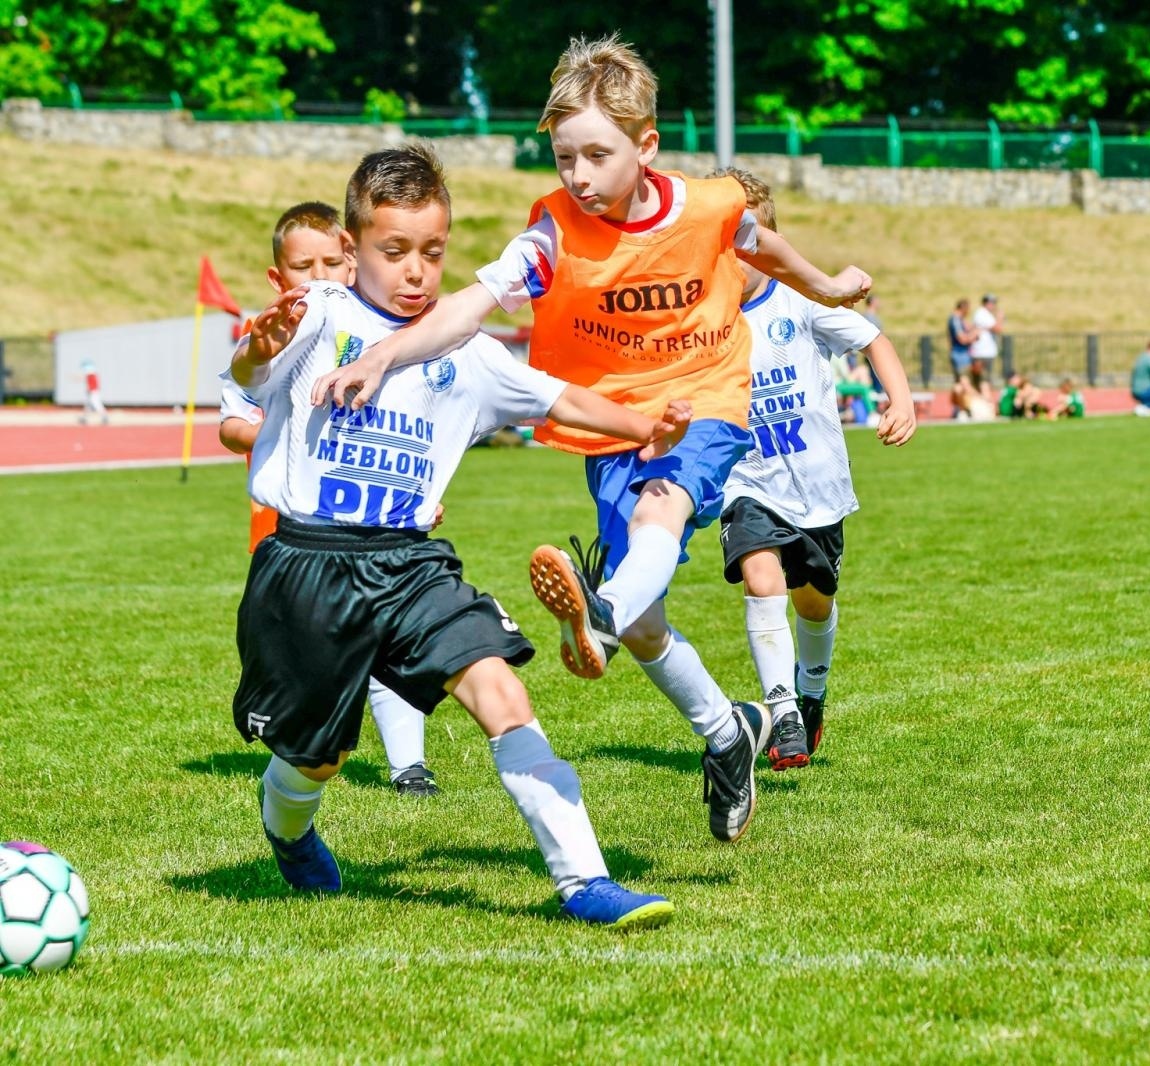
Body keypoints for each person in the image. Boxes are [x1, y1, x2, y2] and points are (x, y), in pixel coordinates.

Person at [305, 35, 872, 845]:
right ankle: (723, 732)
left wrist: (826, 285)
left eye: (597, 156)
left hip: (702, 404)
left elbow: (760, 243)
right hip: (615, 426)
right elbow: (474, 304)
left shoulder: (708, 206)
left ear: (645, 147)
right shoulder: (554, 232)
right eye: (565, 156)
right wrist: (388, 349)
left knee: (661, 513)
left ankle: (600, 611)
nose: (578, 175)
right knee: (649, 626)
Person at [227, 143, 687, 928]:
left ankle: (585, 881)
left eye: (433, 252)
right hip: (307, 565)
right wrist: (256, 352)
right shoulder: (316, 317)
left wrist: (649, 424)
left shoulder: (465, 351)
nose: (416, 271)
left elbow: (561, 400)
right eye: (394, 251)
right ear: (351, 248)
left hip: (410, 565)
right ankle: (290, 829)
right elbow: (247, 374)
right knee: (318, 758)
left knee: (503, 692)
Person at [217, 201, 440, 798]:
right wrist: (287, 427)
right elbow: (234, 420)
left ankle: (409, 766)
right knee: (319, 654)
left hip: (379, 521)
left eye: (330, 262)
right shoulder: (271, 341)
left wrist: (420, 494)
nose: (318, 276)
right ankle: (298, 743)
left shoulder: (385, 335)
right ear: (277, 278)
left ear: (351, 260)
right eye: (301, 265)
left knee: (389, 635)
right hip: (292, 530)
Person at [713, 167, 915, 770]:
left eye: (743, 245)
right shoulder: (705, 318)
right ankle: (783, 714)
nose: (732, 260)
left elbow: (873, 338)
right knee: (760, 577)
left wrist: (900, 399)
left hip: (818, 490)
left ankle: (812, 691)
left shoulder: (800, 305)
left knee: (814, 604)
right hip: (748, 484)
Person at [971, 293, 1003, 385]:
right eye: (992, 303)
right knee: (983, 380)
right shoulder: (982, 314)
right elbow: (998, 328)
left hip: (986, 351)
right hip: (982, 352)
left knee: (984, 379)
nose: (994, 305)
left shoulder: (986, 314)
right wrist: (1000, 318)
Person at [948, 298, 978, 381]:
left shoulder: (959, 319)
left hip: (961, 354)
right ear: (964, 308)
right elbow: (962, 339)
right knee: (964, 381)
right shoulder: (956, 320)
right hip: (960, 354)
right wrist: (974, 336)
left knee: (961, 382)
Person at [79, 359, 108, 425]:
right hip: (91, 392)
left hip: (93, 392)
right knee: (88, 406)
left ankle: (104, 417)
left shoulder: (91, 374)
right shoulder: (91, 374)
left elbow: (92, 385)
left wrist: (90, 390)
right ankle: (84, 418)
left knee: (96, 404)